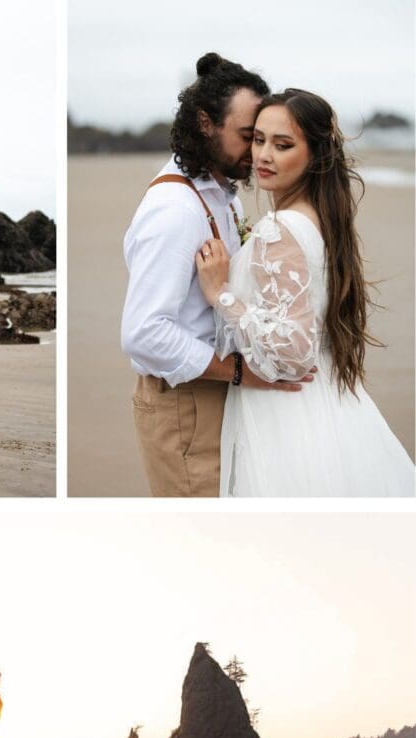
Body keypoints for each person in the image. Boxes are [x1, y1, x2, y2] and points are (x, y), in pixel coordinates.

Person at [196, 89, 414, 497]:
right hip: (331, 405)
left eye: (283, 145)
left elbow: (293, 355)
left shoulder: (279, 229)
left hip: (289, 417)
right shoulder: (322, 218)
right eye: (258, 140)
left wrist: (220, 293)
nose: (263, 155)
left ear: (314, 154)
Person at [121, 53, 315, 498]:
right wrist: (245, 373)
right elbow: (144, 334)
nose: (256, 152)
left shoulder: (223, 193)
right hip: (185, 403)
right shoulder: (175, 211)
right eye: (248, 137)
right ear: (206, 122)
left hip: (217, 391)